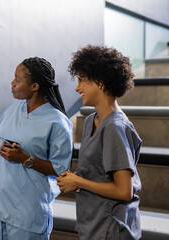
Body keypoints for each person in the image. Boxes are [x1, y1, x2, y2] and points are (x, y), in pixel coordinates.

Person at [0, 57, 73, 239]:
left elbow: (61, 170)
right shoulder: (13, 108)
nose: (12, 83)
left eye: (17, 79)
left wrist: (26, 158)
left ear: (34, 86)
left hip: (26, 214)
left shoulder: (57, 121)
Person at [56, 45, 142, 239]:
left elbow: (123, 191)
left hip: (111, 228)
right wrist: (76, 179)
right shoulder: (90, 121)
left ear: (100, 82)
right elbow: (101, 174)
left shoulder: (115, 127)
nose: (78, 87)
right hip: (92, 223)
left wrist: (78, 181)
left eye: (82, 80)